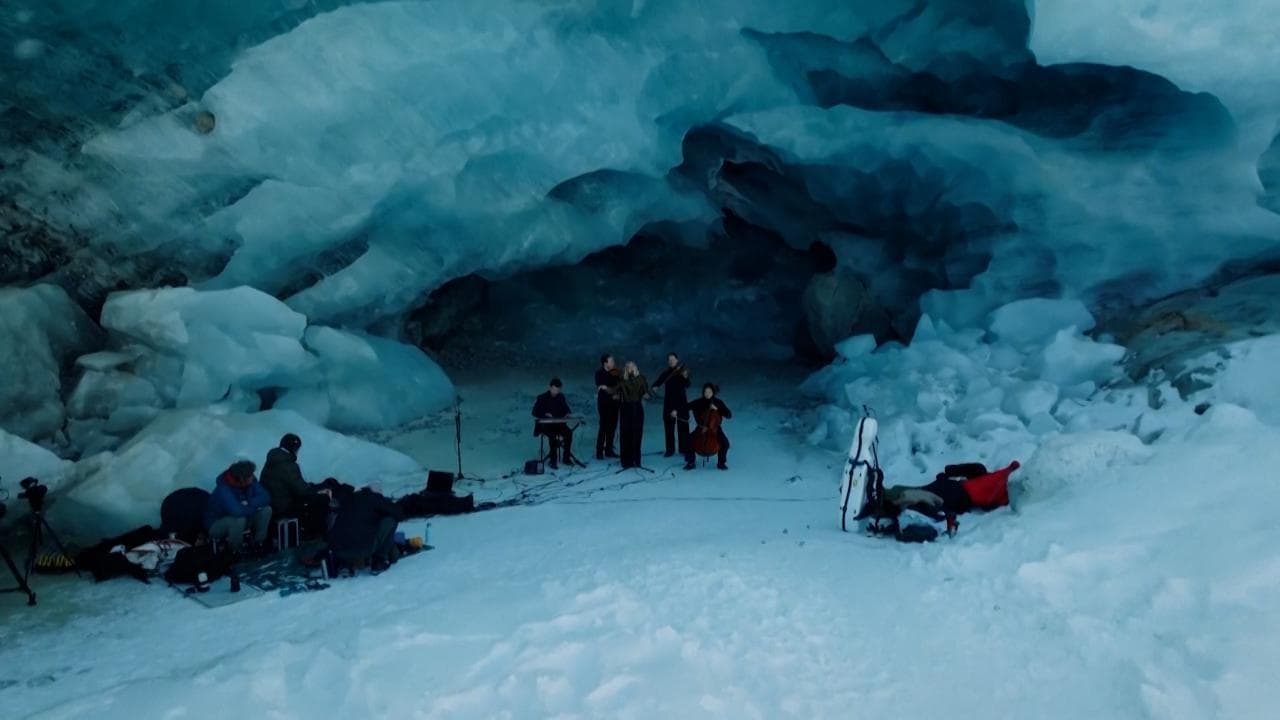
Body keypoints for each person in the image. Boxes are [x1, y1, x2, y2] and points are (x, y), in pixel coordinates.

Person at [260, 433, 330, 536]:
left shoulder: (272, 460)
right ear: (294, 449)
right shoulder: (288, 465)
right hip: (282, 506)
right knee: (322, 499)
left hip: (271, 503)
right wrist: (317, 491)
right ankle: (314, 534)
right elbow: (302, 491)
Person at [327, 485, 404, 573]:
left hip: (338, 550)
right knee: (391, 520)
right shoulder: (374, 498)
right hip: (362, 548)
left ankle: (345, 563)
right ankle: (379, 561)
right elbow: (398, 513)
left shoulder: (347, 499)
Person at [204, 460, 273, 554]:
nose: (253, 476)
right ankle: (235, 551)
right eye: (250, 475)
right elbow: (237, 511)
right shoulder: (223, 489)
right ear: (242, 478)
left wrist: (249, 502)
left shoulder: (251, 482)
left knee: (266, 510)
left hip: (243, 518)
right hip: (216, 525)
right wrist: (254, 507)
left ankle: (258, 544)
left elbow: (266, 497)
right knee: (238, 520)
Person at [652, 352, 691, 459]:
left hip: (681, 402)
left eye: (673, 359)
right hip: (669, 403)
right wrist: (655, 386)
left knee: (683, 427)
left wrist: (685, 376)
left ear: (677, 360)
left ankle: (684, 449)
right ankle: (670, 450)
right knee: (668, 428)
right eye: (669, 360)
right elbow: (658, 381)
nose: (671, 361)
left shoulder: (682, 371)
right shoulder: (666, 373)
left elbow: (688, 384)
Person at [686, 383, 733, 470]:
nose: (707, 394)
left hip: (715, 429)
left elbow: (729, 415)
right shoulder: (699, 402)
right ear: (703, 392)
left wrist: (717, 409)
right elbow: (685, 407)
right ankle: (691, 462)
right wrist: (675, 411)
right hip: (701, 428)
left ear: (713, 392)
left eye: (709, 392)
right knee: (688, 441)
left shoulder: (718, 402)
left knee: (725, 444)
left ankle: (721, 463)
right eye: (705, 392)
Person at [614, 361, 651, 469]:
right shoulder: (622, 379)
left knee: (637, 434)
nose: (630, 369)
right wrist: (606, 389)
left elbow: (646, 392)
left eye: (632, 367)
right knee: (625, 435)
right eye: (628, 367)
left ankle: (636, 460)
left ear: (635, 368)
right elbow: (615, 390)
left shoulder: (641, 378)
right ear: (626, 369)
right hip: (625, 408)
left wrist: (646, 393)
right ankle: (626, 461)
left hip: (637, 408)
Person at [532, 377, 575, 469]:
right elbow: (534, 412)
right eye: (555, 389)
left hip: (559, 424)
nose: (556, 392)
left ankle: (566, 458)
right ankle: (553, 460)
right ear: (550, 387)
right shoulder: (542, 397)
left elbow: (566, 408)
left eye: (558, 390)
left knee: (569, 433)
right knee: (552, 436)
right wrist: (544, 414)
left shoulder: (561, 397)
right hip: (546, 425)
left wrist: (567, 413)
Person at [594, 354, 621, 460]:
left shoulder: (616, 372)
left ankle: (609, 450)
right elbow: (601, 386)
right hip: (604, 404)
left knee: (612, 427)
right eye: (611, 361)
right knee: (603, 427)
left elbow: (618, 385)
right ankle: (599, 451)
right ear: (605, 363)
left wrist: (616, 392)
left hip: (615, 404)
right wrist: (610, 389)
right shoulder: (599, 373)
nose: (613, 363)